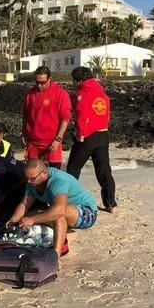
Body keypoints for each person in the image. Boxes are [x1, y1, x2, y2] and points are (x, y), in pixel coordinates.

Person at [8, 159, 98, 258]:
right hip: (62, 209)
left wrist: (32, 219)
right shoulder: (32, 182)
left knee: (56, 215)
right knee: (28, 216)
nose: (29, 181)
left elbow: (59, 211)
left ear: (44, 173)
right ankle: (67, 234)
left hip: (86, 213)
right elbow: (24, 205)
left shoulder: (57, 181)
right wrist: (13, 221)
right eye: (27, 178)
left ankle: (56, 256)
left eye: (32, 178)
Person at [66, 66, 117, 212]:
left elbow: (82, 113)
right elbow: (107, 113)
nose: (73, 84)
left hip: (87, 136)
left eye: (74, 81)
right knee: (104, 170)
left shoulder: (82, 93)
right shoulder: (102, 92)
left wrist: (81, 133)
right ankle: (110, 203)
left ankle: (67, 200)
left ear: (79, 80)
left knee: (73, 169)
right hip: (103, 134)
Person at [22, 66, 71, 169]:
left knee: (53, 175)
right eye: (37, 82)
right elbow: (26, 115)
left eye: (43, 83)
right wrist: (24, 133)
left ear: (50, 79)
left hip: (52, 142)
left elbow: (65, 118)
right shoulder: (29, 94)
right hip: (33, 143)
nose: (39, 86)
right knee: (33, 176)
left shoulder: (60, 94)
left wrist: (58, 139)